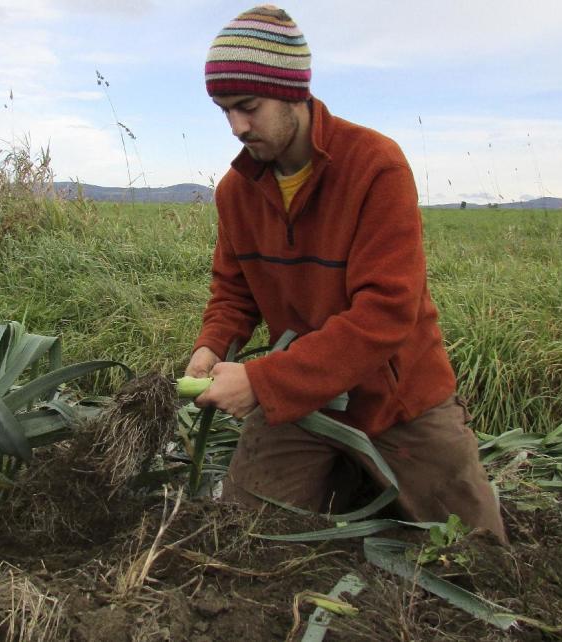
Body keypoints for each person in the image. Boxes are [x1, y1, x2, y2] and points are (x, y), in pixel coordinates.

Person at [185, 5, 507, 541]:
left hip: (396, 400)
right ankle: (347, 477)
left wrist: (262, 382)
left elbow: (386, 315)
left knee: (476, 552)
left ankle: (366, 475)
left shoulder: (376, 167)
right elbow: (233, 295)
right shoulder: (236, 193)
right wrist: (212, 347)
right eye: (224, 111)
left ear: (292, 91)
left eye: (248, 106)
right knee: (246, 540)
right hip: (300, 397)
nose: (237, 126)